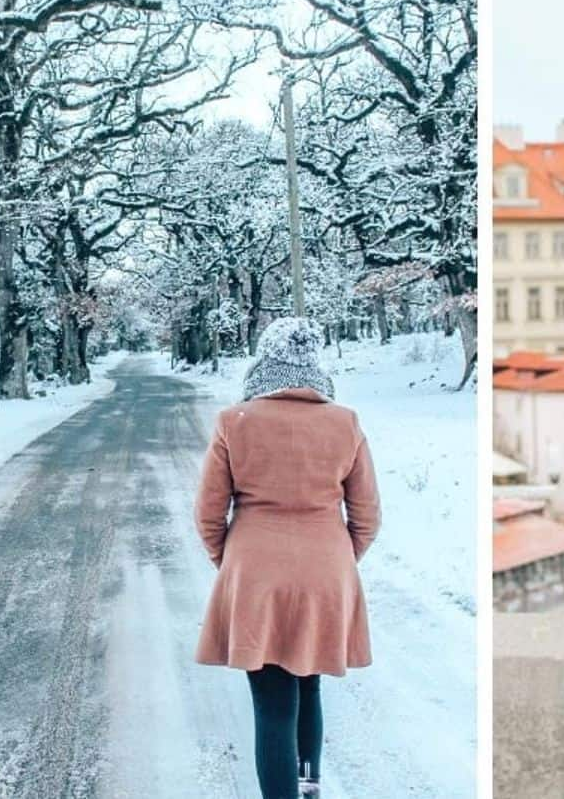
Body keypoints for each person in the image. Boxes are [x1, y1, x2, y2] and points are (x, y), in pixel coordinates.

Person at [193, 317, 380, 799]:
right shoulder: (346, 423)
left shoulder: (236, 421)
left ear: (264, 359)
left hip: (256, 572)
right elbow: (367, 514)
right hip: (326, 571)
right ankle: (307, 784)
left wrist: (231, 562)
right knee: (310, 682)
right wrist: (338, 561)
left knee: (272, 702)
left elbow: (209, 513)